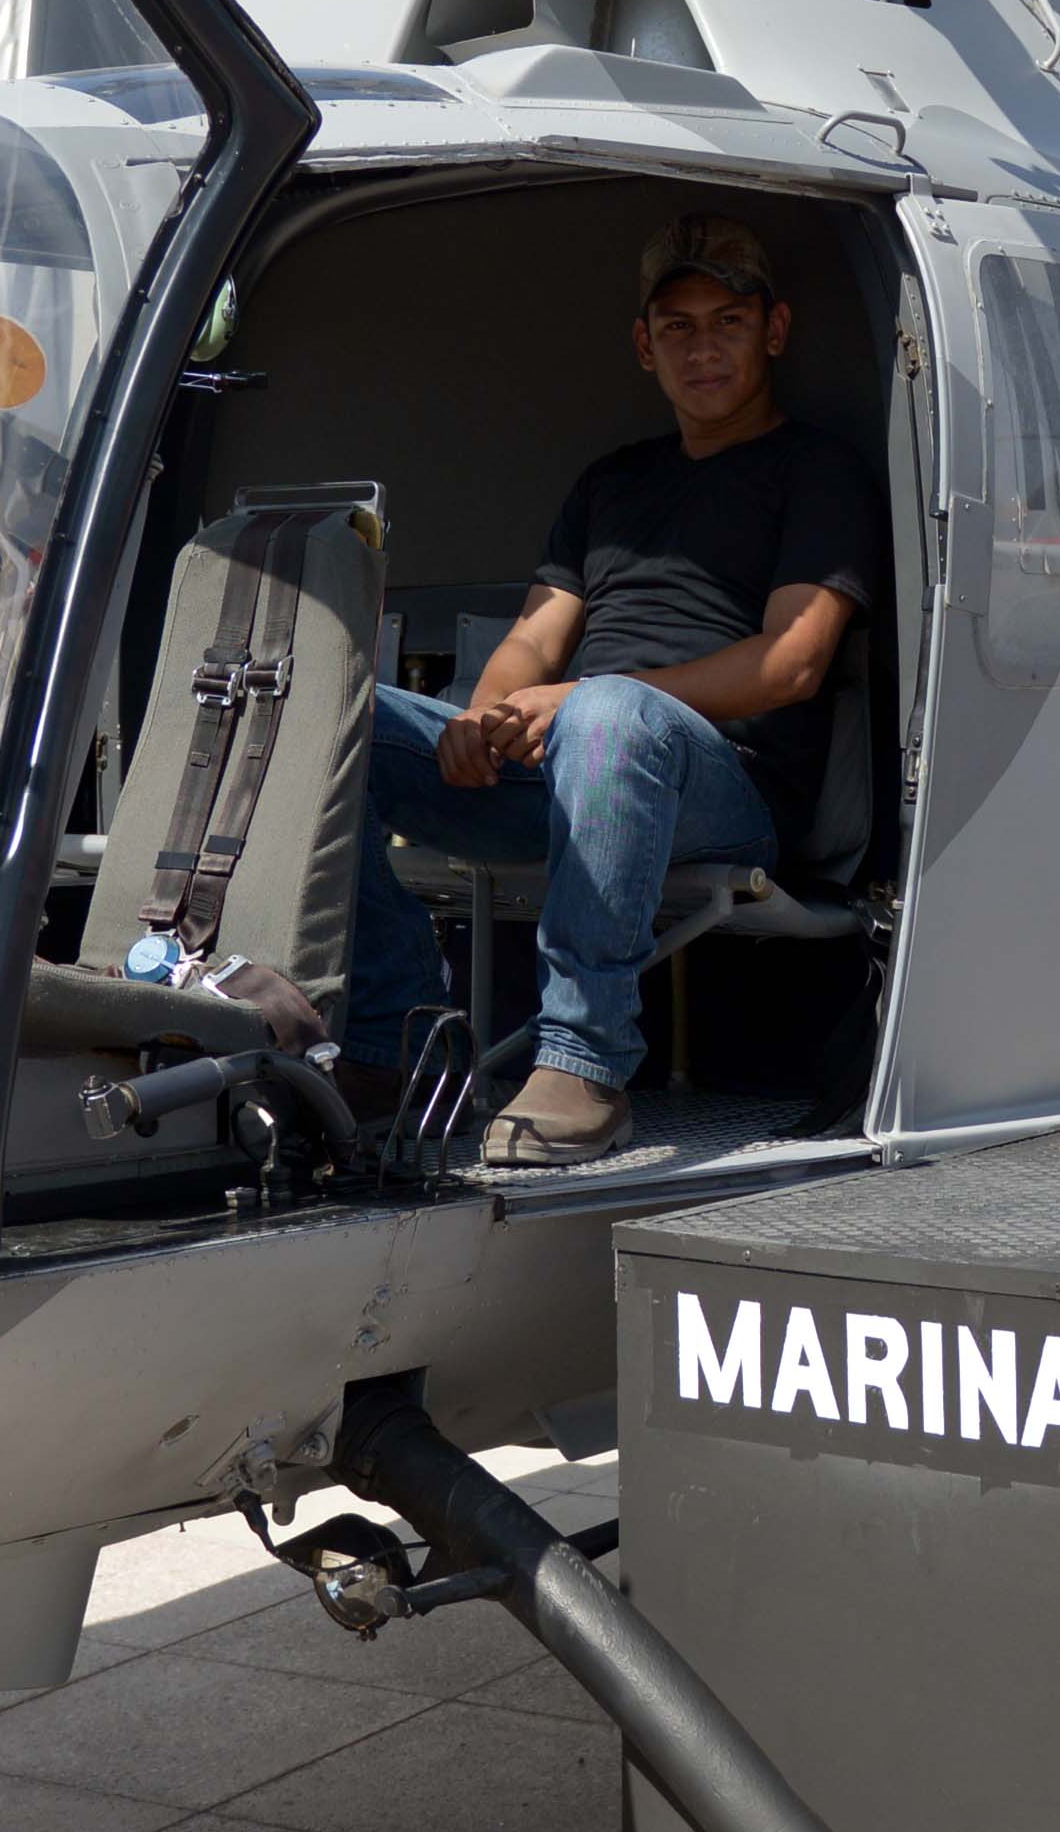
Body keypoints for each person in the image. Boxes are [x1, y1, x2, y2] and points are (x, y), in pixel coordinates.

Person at [344, 212, 884, 1166]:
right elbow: (532, 638)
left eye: (728, 320)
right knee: (335, 718)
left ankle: (583, 1063)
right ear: (645, 345)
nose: (703, 347)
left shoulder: (819, 470)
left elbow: (790, 664)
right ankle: (391, 1043)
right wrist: (485, 717)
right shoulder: (612, 483)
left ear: (776, 331)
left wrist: (585, 696)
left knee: (609, 713)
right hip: (570, 761)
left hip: (727, 791)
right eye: (678, 326)